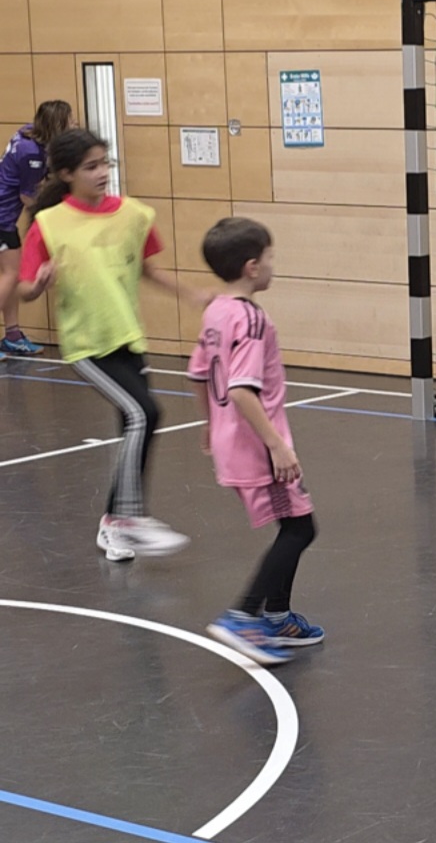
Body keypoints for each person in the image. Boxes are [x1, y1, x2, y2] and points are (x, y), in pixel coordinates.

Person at [18, 128, 197, 561]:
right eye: (91, 166)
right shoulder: (49, 224)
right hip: (85, 344)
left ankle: (113, 525)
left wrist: (192, 294)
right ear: (66, 174)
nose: (102, 172)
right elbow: (23, 289)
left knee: (134, 424)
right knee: (144, 412)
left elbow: (148, 270)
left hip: (127, 337)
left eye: (105, 163)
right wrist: (38, 285)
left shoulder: (134, 214)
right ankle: (128, 520)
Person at [189, 217, 323, 665]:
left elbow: (199, 373)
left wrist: (209, 423)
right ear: (251, 267)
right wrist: (277, 445)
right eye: (269, 258)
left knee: (293, 526)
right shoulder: (251, 320)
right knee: (300, 528)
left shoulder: (216, 311)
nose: (272, 266)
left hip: (232, 440)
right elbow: (242, 389)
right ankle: (244, 615)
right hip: (257, 447)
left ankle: (277, 616)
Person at [0, 100, 73, 356]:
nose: (74, 124)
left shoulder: (29, 134)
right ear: (58, 125)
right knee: (11, 275)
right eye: (70, 121)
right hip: (2, 218)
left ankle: (12, 335)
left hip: (5, 218)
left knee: (10, 274)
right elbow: (27, 197)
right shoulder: (31, 154)